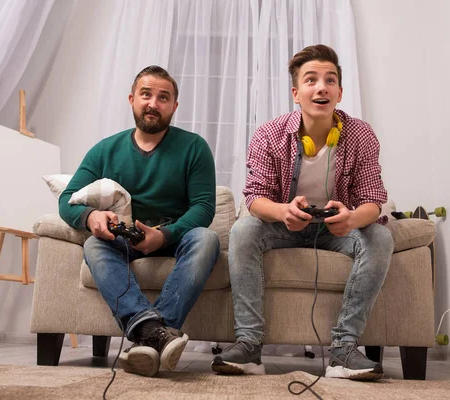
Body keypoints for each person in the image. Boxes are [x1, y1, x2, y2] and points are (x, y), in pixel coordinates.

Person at [211, 45, 393, 380]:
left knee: (380, 236)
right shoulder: (269, 134)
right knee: (243, 230)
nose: (321, 87)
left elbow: (374, 199)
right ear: (296, 93)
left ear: (339, 92)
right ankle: (249, 345)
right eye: (311, 80)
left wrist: (352, 218)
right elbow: (254, 198)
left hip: (337, 229)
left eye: (330, 80)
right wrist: (282, 212)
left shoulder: (362, 135)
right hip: (285, 225)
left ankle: (343, 350)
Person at [59, 65, 220, 377]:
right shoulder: (105, 150)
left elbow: (204, 207)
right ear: (132, 99)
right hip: (126, 238)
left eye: (163, 97)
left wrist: (164, 235)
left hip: (175, 238)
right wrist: (90, 216)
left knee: (207, 239)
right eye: (146, 94)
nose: (153, 103)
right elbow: (67, 199)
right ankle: (154, 332)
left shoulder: (194, 147)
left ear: (175, 106)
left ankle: (146, 337)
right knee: (94, 244)